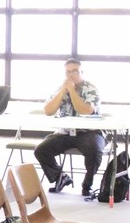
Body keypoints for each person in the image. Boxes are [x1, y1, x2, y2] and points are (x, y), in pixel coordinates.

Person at [34, 58, 104, 196]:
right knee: (41, 150)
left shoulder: (91, 89)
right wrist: (62, 93)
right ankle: (61, 177)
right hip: (65, 133)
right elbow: (48, 111)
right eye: (68, 72)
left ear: (81, 72)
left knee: (94, 151)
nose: (71, 75)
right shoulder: (60, 88)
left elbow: (85, 110)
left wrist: (72, 91)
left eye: (75, 71)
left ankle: (87, 185)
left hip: (89, 132)